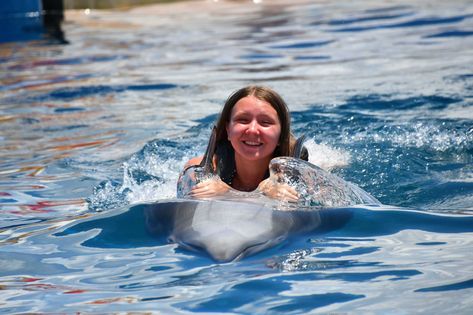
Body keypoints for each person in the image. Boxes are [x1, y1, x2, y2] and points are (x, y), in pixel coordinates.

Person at [183, 85, 308, 201]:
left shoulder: (301, 175)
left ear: (281, 136)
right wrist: (259, 193)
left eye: (265, 122)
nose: (253, 130)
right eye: (242, 120)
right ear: (228, 129)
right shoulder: (199, 169)